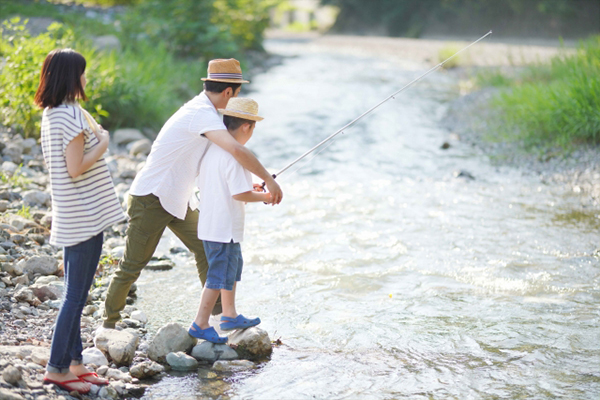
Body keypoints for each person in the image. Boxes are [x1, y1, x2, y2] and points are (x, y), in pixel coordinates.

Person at [102, 59, 283, 330]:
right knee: (133, 264)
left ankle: (223, 316)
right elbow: (235, 150)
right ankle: (108, 324)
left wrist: (246, 187)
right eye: (238, 92)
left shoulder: (204, 112)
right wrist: (269, 180)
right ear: (228, 92)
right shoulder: (203, 114)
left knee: (204, 249)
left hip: (178, 198)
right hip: (152, 197)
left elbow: (209, 165)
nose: (236, 98)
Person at [34, 48, 125, 394]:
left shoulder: (54, 113)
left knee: (76, 293)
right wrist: (102, 142)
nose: (86, 79)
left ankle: (75, 363)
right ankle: (57, 367)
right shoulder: (70, 115)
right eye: (83, 73)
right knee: (75, 296)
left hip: (73, 213)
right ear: (72, 77)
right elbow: (75, 167)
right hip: (84, 214)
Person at [188, 98, 269, 343]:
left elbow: (226, 186)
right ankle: (200, 323)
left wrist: (252, 187)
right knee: (218, 276)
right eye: (253, 127)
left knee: (231, 269)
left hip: (216, 226)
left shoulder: (214, 150)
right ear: (247, 127)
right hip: (223, 229)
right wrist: (266, 196)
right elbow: (239, 194)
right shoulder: (237, 156)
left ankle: (229, 314)